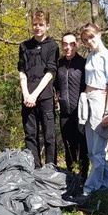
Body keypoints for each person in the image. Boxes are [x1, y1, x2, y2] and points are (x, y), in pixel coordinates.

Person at [79, 23, 108, 195]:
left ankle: (90, 187)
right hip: (87, 101)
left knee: (98, 150)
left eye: (91, 37)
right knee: (95, 149)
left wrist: (107, 111)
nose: (89, 41)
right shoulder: (90, 56)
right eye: (85, 40)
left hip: (100, 102)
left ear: (99, 34)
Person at [18, 10, 59, 168]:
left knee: (49, 136)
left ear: (47, 26)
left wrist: (35, 95)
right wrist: (26, 94)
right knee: (30, 136)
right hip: (27, 98)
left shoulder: (52, 46)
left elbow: (50, 73)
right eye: (35, 24)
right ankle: (34, 169)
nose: (37, 27)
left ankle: (50, 170)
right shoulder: (24, 46)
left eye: (41, 24)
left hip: (45, 97)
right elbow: (21, 71)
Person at [55, 32, 88, 180]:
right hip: (64, 112)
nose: (68, 47)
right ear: (62, 45)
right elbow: (55, 86)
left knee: (82, 145)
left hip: (80, 112)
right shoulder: (59, 64)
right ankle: (70, 175)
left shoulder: (84, 63)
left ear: (77, 45)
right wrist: (56, 98)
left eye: (72, 44)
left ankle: (83, 176)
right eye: (65, 44)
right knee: (68, 145)